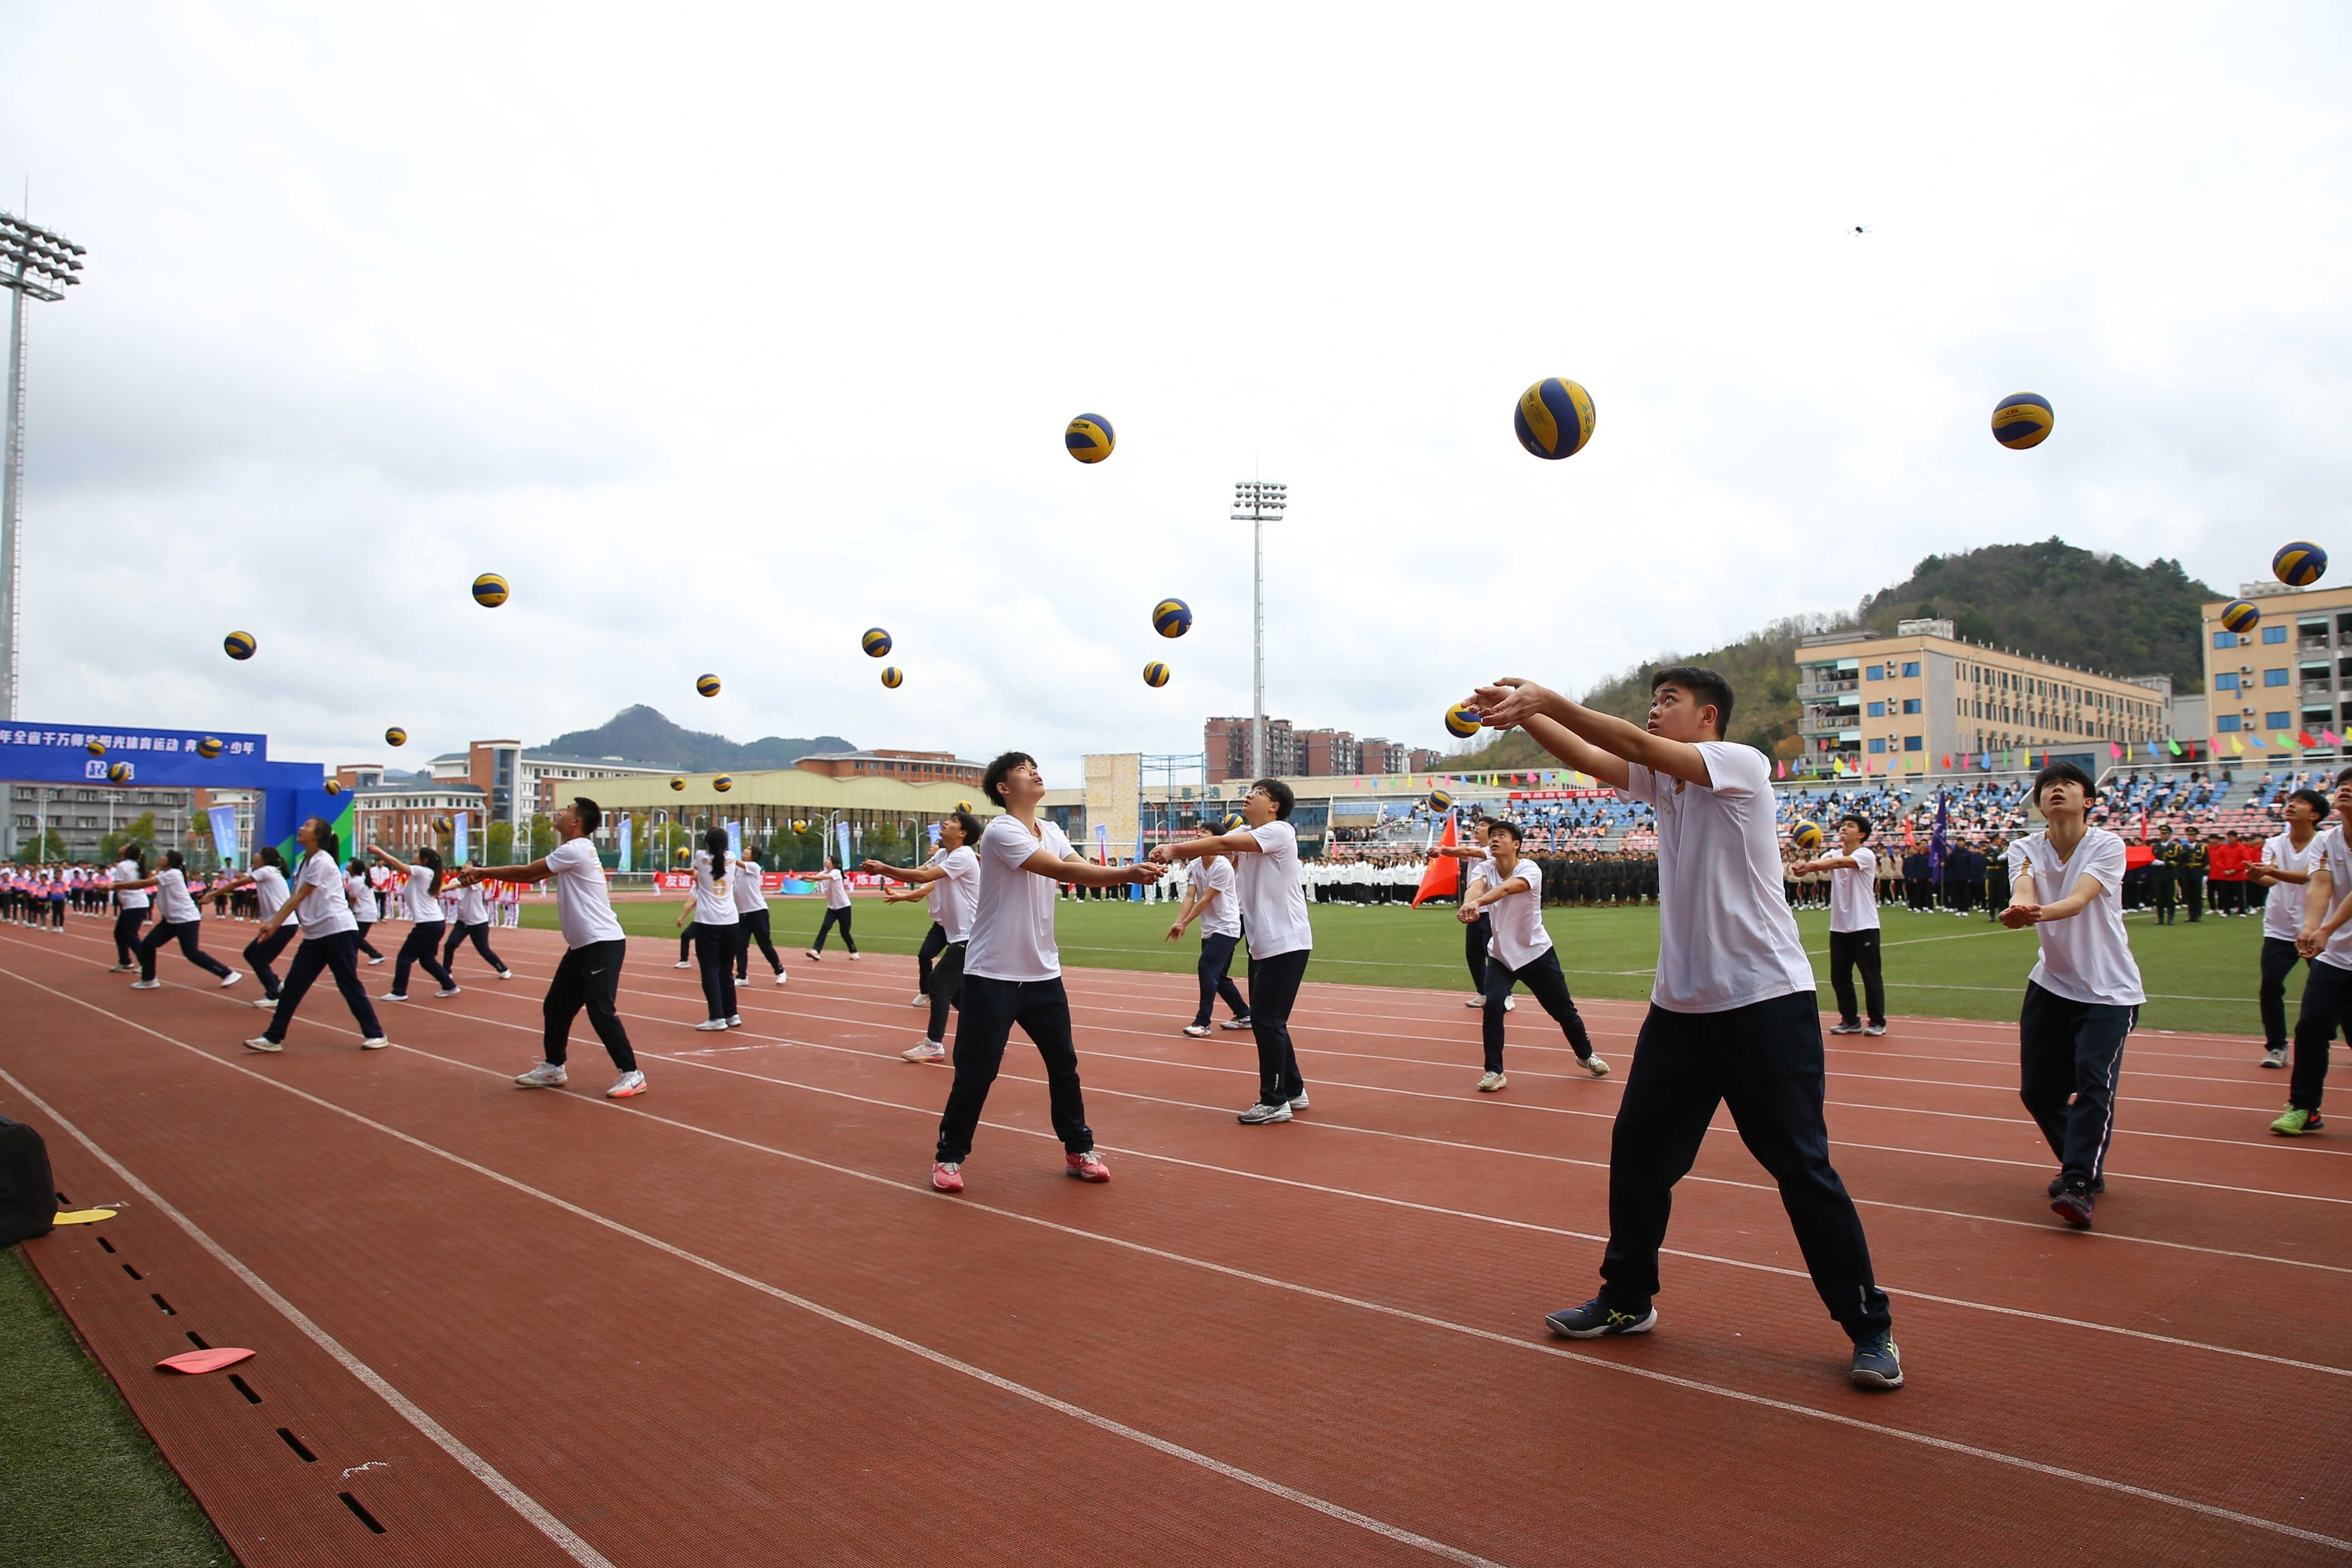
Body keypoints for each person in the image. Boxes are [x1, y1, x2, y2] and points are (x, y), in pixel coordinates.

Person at [1467, 666, 1899, 1390]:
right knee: (1639, 1154)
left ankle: (1869, 1325)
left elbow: (1631, 741)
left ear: (1708, 719)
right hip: (1681, 1009)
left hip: (1763, 1002)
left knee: (1800, 1168)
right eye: (1654, 699)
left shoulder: (1740, 764)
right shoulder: (1665, 784)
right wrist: (1522, 716)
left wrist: (1550, 699)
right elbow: (1589, 756)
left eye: (1670, 700)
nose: (1655, 710)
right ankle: (1627, 1300)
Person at [931, 754, 1160, 1193]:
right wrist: (1127, 873)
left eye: (1036, 765)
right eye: (1023, 768)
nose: (1035, 772)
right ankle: (949, 1156)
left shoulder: (1051, 830)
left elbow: (1080, 868)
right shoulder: (1001, 831)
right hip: (993, 974)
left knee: (1063, 1066)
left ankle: (1079, 1149)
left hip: (1042, 974)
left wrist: (1131, 871)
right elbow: (1060, 870)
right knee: (977, 1072)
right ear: (1003, 787)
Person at [1998, 763, 2144, 1229]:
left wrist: (2035, 913)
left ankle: (2079, 1180)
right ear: (2039, 804)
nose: (2056, 790)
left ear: (2089, 800)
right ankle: (2084, 1161)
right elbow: (2023, 884)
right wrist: (2022, 906)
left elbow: (2079, 899)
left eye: (2067, 784)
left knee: (2092, 1082)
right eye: (2046, 787)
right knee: (2038, 1090)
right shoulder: (2023, 847)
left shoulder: (2106, 845)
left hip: (2109, 990)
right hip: (2052, 983)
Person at [1150, 777, 1316, 1125]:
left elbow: (1222, 841)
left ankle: (1273, 1101)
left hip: (1284, 941)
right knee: (1270, 1021)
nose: (1248, 796)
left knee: (1267, 1021)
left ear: (1274, 806)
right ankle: (1292, 1089)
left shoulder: (1280, 831)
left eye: (1257, 793)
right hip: (1266, 942)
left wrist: (1174, 849)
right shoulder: (1251, 844)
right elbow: (1221, 848)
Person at [456, 797, 645, 1098]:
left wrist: (483, 872)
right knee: (556, 1005)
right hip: (583, 945)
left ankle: (632, 1074)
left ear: (577, 822)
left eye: (567, 810)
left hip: (602, 943)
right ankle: (553, 1067)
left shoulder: (576, 848)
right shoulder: (573, 850)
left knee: (600, 1011)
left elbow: (529, 874)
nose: (561, 812)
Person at [1457, 818, 1608, 1091]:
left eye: (1501, 835)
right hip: (1501, 956)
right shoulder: (1484, 868)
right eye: (1492, 835)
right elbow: (1475, 886)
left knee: (1563, 1011)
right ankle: (1494, 1071)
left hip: (1536, 953)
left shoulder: (1529, 869)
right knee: (1493, 1007)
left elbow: (1506, 889)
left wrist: (1478, 903)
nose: (1494, 839)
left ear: (1516, 844)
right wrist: (1470, 902)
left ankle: (1586, 1055)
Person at [241, 818, 389, 1053]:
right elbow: (299, 897)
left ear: (318, 836)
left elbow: (299, 897)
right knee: (292, 987)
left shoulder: (322, 861)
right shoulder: (305, 862)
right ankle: (273, 1037)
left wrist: (274, 924)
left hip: (337, 930)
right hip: (315, 934)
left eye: (308, 826)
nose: (301, 827)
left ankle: (376, 1034)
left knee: (348, 983)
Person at [863, 808, 983, 1064]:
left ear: (962, 833)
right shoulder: (943, 853)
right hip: (958, 935)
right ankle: (990, 1033)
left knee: (938, 983)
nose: (945, 823)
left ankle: (933, 1045)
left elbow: (924, 877)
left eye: (952, 821)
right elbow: (920, 871)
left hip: (971, 935)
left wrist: (885, 868)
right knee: (959, 994)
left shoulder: (962, 856)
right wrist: (891, 877)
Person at [2279, 769, 2352, 1137]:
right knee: (2311, 1027)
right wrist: (2310, 926)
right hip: (2337, 957)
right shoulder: (2327, 842)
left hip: (2334, 939)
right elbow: (2321, 883)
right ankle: (2304, 1107)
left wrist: (2326, 929)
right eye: (2343, 784)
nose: (2346, 789)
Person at [2246, 788, 2328, 1069]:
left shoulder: (2324, 842)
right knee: (2270, 986)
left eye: (2301, 802)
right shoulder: (2274, 843)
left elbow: (2307, 876)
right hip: (2279, 929)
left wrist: (2270, 872)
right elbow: (2271, 880)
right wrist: (2258, 876)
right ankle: (2277, 1047)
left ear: (2315, 815)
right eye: (2290, 801)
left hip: (2317, 929)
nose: (2291, 805)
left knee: (2333, 989)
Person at [1794, 815, 1886, 1036]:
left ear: (1861, 834)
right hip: (1839, 927)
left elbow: (1837, 864)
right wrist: (1807, 862)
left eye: (1850, 826)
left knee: (1870, 975)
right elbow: (1827, 863)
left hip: (1864, 925)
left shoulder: (1865, 854)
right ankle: (1850, 1020)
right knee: (1840, 976)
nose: (1844, 828)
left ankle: (1877, 1021)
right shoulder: (1832, 853)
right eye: (1843, 825)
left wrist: (1810, 866)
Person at [1163, 823, 1251, 1040]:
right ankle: (1245, 1014)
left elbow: (1206, 899)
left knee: (1206, 968)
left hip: (1227, 926)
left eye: (1205, 832)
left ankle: (1203, 1023)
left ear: (1216, 840)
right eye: (1199, 831)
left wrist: (1185, 924)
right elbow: (1189, 896)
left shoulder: (1222, 866)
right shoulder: (1194, 865)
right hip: (1209, 927)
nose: (1199, 834)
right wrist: (1178, 922)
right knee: (1218, 976)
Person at [122, 851, 243, 992]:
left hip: (186, 919)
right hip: (171, 920)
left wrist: (114, 886)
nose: (161, 857)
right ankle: (149, 979)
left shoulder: (174, 873)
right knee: (148, 945)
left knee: (191, 953)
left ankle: (227, 973)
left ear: (171, 861)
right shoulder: (165, 874)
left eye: (165, 856)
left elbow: (143, 883)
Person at [365, 844, 459, 1001]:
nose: (413, 855)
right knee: (427, 960)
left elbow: (397, 864)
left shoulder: (423, 871)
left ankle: (399, 991)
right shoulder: (427, 874)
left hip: (428, 924)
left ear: (424, 859)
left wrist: (379, 851)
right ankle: (449, 985)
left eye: (417, 853)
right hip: (434, 923)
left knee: (404, 957)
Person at [676, 826, 740, 1032]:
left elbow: (697, 868)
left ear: (707, 843)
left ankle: (716, 1017)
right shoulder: (731, 857)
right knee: (726, 970)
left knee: (710, 970)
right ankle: (732, 1014)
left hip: (708, 922)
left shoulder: (700, 856)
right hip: (731, 920)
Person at [218, 848, 299, 1007]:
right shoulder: (271, 872)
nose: (255, 855)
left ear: (265, 859)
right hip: (280, 924)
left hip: (283, 924)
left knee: (259, 960)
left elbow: (238, 883)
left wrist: (212, 895)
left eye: (258, 853)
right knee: (250, 953)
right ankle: (275, 984)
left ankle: (273, 995)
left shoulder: (266, 871)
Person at [437, 867, 514, 983]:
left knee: (484, 950)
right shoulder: (454, 881)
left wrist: (442, 888)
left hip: (478, 922)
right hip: (462, 922)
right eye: (463, 868)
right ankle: (446, 971)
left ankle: (503, 969)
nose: (463, 870)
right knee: (450, 945)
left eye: (467, 868)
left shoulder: (477, 883)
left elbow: (461, 885)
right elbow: (455, 884)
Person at [731, 840, 787, 987]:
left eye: (748, 849)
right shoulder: (738, 870)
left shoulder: (754, 866)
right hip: (744, 913)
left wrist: (727, 855)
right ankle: (742, 976)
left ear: (754, 855)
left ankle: (779, 970)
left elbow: (738, 863)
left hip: (758, 911)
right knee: (740, 945)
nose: (744, 850)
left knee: (764, 944)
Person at [107, 841, 151, 972]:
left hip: (134, 903)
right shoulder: (135, 865)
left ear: (126, 852)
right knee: (120, 933)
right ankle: (125, 961)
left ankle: (145, 962)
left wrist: (107, 887)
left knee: (130, 934)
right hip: (136, 903)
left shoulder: (123, 865)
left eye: (125, 846)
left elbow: (119, 884)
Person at [807, 856, 858, 960]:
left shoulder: (836, 872)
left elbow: (822, 878)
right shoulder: (823, 872)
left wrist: (807, 878)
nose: (825, 861)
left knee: (844, 932)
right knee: (825, 927)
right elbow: (813, 879)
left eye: (828, 860)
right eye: (826, 859)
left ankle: (854, 951)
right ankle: (816, 951)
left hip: (844, 906)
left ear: (834, 863)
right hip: (832, 908)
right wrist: (801, 878)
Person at [343, 858, 386, 965]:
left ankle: (377, 955)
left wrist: (350, 912)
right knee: (355, 938)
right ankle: (351, 959)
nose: (348, 865)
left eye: (351, 864)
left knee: (356, 938)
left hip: (364, 913)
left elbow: (353, 898)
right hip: (367, 912)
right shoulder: (361, 879)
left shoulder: (355, 881)